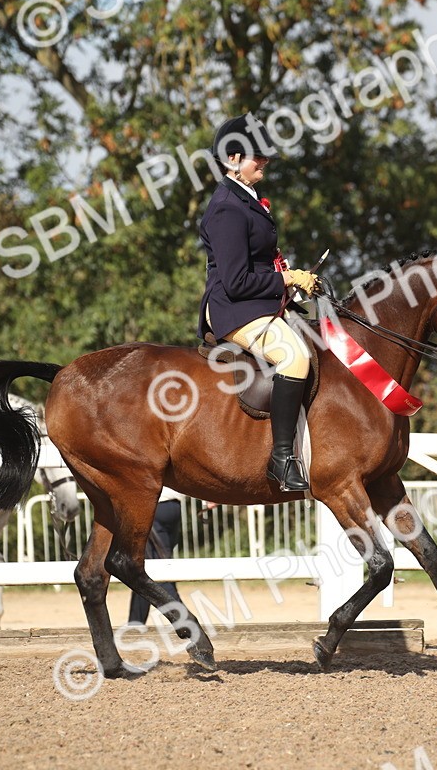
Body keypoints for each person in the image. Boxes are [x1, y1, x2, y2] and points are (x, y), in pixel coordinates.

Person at [198, 113, 319, 492]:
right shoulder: (226, 209)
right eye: (257, 156)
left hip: (257, 301)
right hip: (235, 309)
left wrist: (291, 279)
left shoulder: (247, 201)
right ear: (232, 160)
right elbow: (236, 281)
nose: (264, 161)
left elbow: (258, 263)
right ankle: (281, 459)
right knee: (295, 357)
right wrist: (285, 279)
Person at [127, 488, 184, 625]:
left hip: (152, 505)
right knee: (142, 571)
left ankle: (187, 623)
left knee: (159, 572)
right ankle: (135, 625)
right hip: (174, 505)